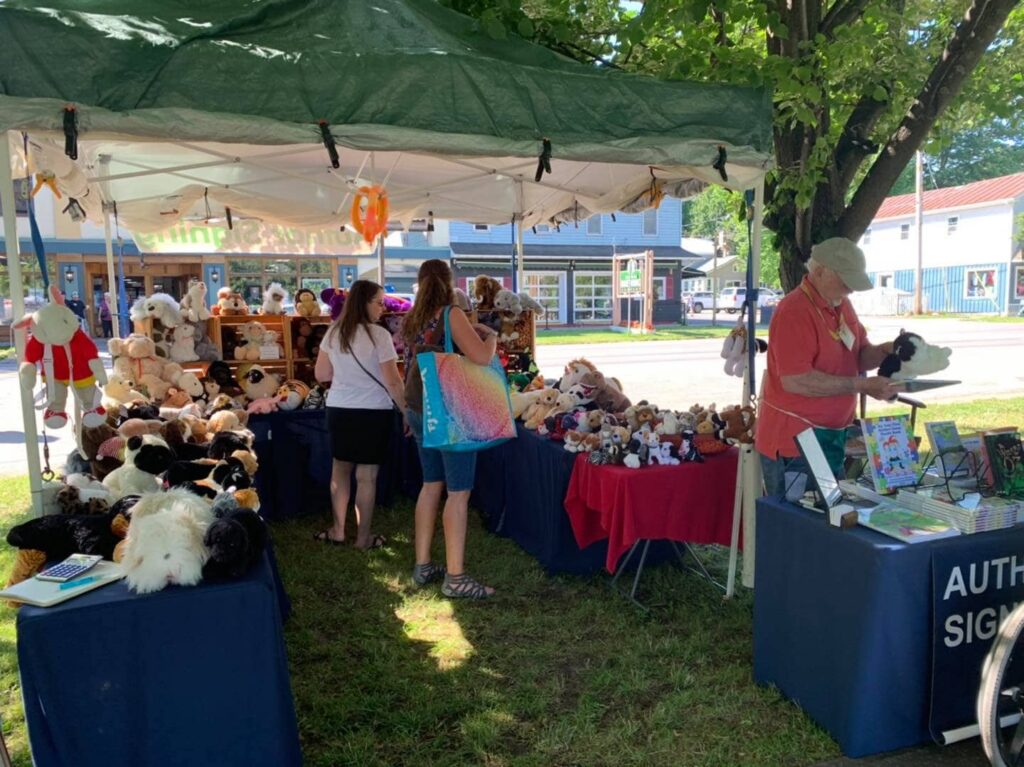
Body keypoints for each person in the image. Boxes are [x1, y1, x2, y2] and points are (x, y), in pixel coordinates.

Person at [756, 238, 903, 499]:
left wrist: (887, 350)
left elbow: (859, 355)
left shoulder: (841, 303)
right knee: (798, 528)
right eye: (845, 279)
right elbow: (796, 381)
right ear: (819, 271)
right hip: (795, 444)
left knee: (830, 522)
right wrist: (862, 386)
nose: (850, 289)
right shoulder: (794, 310)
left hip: (831, 436)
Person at [402, 259, 498, 600]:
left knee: (430, 485)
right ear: (448, 282)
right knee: (458, 493)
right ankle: (455, 577)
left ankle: (423, 565)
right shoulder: (450, 314)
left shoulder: (413, 318)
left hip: (418, 409)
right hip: (449, 412)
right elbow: (482, 358)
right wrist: (492, 338)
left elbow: (410, 364)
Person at [313, 279, 406, 550]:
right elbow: (393, 381)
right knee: (367, 476)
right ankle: (363, 538)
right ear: (364, 302)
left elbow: (322, 375)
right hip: (374, 412)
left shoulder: (333, 332)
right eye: (379, 302)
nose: (382, 308)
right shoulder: (380, 336)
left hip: (340, 409)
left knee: (340, 471)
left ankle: (339, 530)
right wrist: (406, 412)